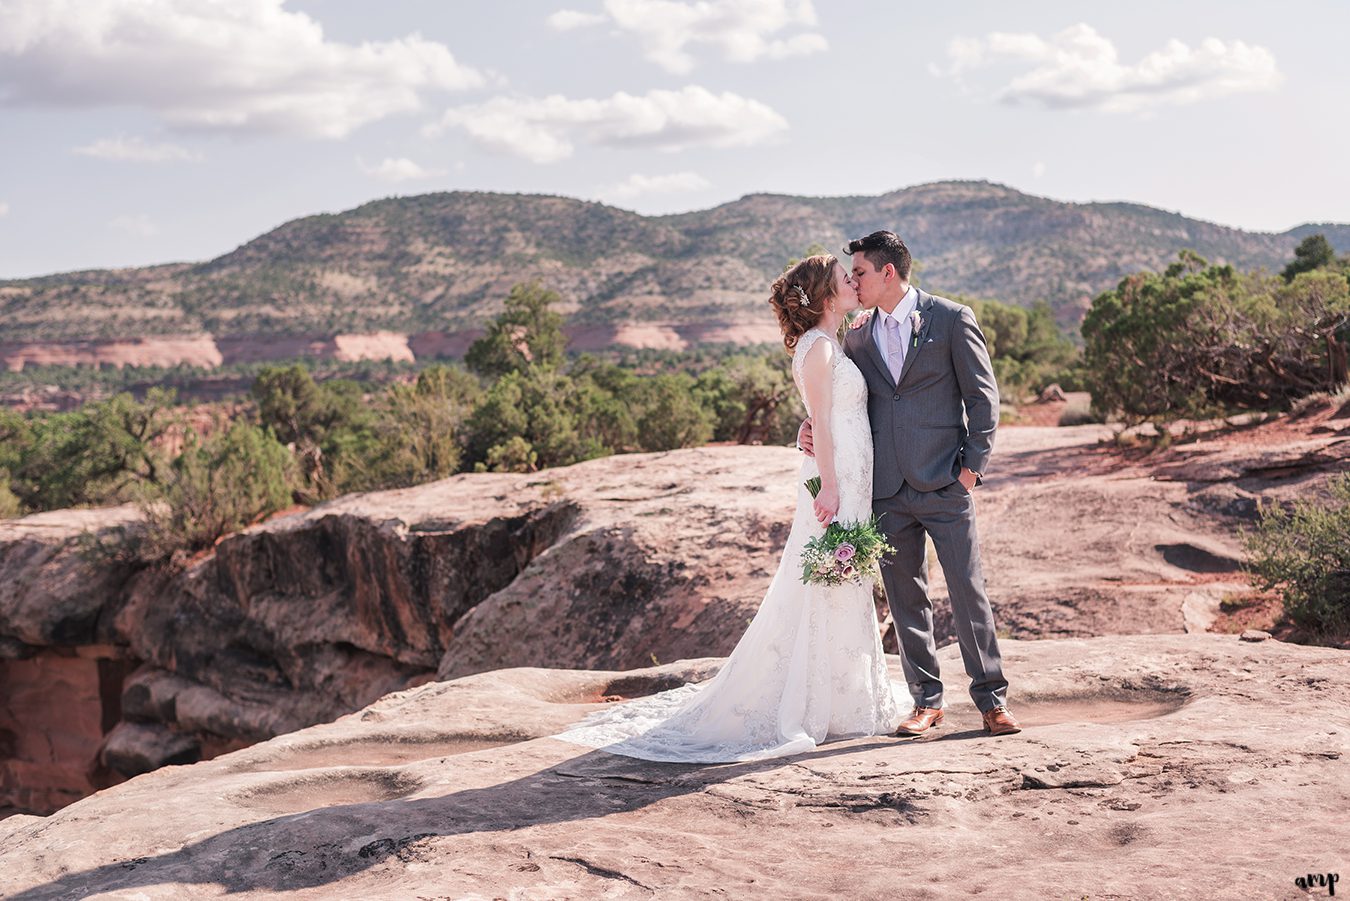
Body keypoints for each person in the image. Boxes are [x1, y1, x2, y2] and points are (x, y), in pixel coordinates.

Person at [552, 253, 908, 763]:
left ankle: (841, 698)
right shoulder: (819, 350)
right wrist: (829, 486)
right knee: (821, 579)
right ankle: (815, 703)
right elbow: (823, 424)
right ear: (826, 296)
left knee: (840, 578)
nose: (853, 283)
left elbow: (824, 417)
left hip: (851, 477)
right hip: (836, 481)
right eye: (843, 279)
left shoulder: (831, 343)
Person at [799, 231, 1020, 737]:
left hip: (945, 482)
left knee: (968, 591)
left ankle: (992, 700)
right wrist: (806, 425)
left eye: (858, 273)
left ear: (888, 273)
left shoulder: (950, 318)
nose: (852, 281)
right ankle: (926, 702)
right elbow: (833, 396)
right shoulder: (855, 335)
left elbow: (984, 400)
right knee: (905, 599)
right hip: (886, 489)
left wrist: (970, 472)